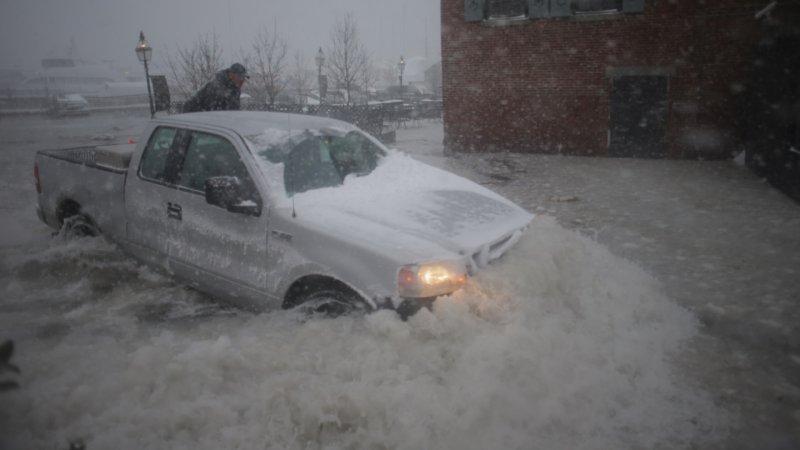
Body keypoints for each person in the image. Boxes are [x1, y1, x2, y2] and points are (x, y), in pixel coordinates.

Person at [182, 63, 249, 113]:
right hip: (197, 121)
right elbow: (214, 114)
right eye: (240, 77)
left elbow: (233, 112)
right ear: (231, 75)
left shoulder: (235, 90)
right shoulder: (216, 87)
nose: (242, 80)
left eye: (244, 78)